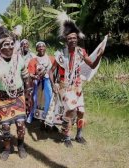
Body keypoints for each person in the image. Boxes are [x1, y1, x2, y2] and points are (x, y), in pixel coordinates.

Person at [50, 12, 104, 147]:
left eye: (74, 38)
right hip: (64, 86)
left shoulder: (81, 51)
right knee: (70, 111)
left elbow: (91, 65)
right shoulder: (60, 54)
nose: (72, 40)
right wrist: (53, 84)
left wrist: (98, 56)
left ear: (77, 39)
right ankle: (66, 137)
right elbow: (50, 72)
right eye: (69, 38)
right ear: (66, 40)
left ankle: (79, 135)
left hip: (77, 86)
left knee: (80, 111)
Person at [0, 23, 33, 161]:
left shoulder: (19, 58)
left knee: (21, 125)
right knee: (5, 126)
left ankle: (21, 146)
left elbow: (26, 76)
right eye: (6, 44)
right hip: (1, 98)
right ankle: (7, 148)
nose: (10, 46)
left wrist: (28, 93)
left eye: (12, 44)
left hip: (18, 97)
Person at [27, 42, 56, 129]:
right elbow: (30, 73)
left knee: (51, 102)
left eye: (43, 46)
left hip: (51, 84)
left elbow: (56, 71)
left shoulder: (52, 59)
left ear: (45, 48)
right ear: (36, 49)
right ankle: (42, 122)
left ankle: (51, 121)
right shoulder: (33, 61)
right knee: (41, 103)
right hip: (39, 85)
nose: (41, 48)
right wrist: (36, 76)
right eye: (39, 47)